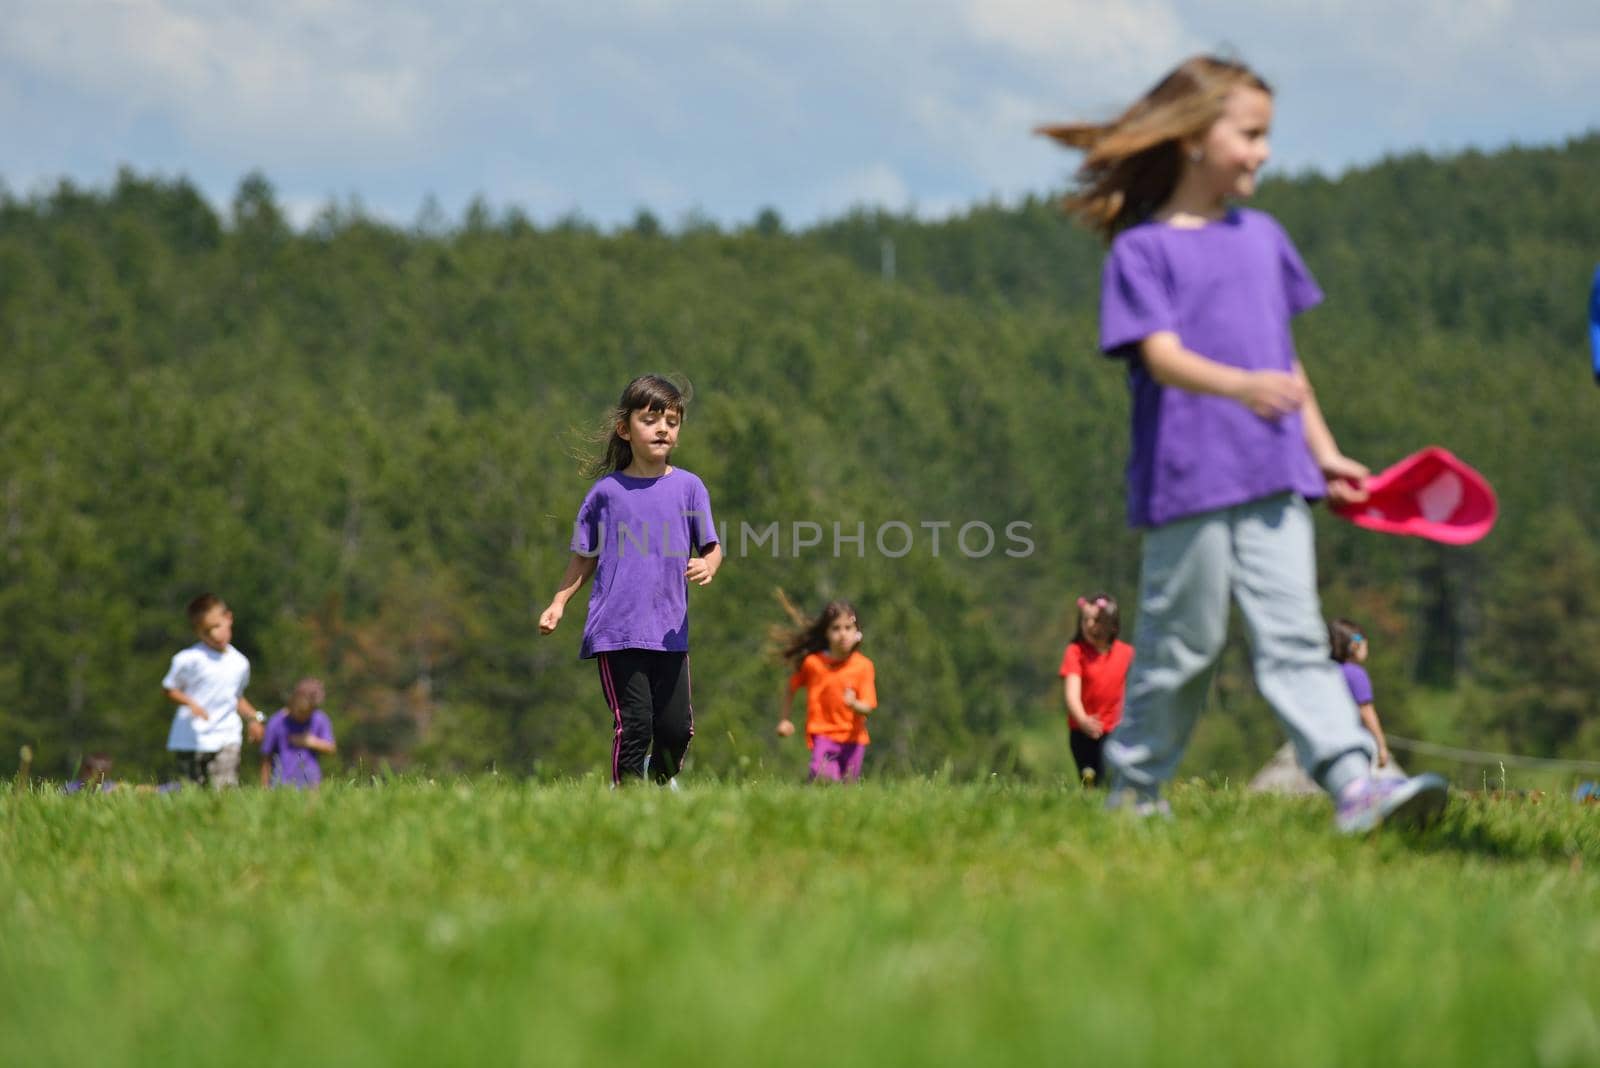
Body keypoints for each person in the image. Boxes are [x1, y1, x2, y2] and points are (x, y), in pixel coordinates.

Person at [1039, 54, 1447, 832]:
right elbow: (1158, 354)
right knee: (1181, 650)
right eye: (1250, 134)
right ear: (1194, 138)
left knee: (1296, 639)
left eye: (1267, 136)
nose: (1263, 152)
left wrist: (1324, 453)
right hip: (1186, 483)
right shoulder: (1142, 251)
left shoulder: (1264, 239)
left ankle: (1356, 785)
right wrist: (1241, 386)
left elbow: (1286, 359)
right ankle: (1133, 793)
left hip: (1275, 477)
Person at [539, 375, 722, 787]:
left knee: (676, 731)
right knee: (635, 725)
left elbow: (713, 547)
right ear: (625, 429)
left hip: (670, 632)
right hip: (617, 631)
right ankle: (627, 800)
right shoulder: (606, 493)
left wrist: (709, 565)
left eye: (672, 422)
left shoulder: (690, 488)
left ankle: (659, 783)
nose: (663, 429)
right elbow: (584, 557)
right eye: (651, 419)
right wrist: (559, 602)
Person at [162, 593, 264, 788]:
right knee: (190, 791)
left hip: (226, 735)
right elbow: (169, 689)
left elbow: (235, 697)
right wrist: (190, 703)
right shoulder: (188, 659)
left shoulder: (240, 663)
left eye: (217, 626)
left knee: (225, 789)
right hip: (190, 738)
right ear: (197, 632)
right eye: (206, 632)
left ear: (229, 618)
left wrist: (253, 717)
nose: (215, 635)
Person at [774, 599, 878, 783]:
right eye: (836, 628)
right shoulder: (814, 664)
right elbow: (790, 688)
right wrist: (784, 719)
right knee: (823, 778)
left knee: (848, 789)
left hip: (854, 738)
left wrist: (854, 704)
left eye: (848, 628)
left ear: (857, 633)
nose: (842, 634)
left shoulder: (863, 666)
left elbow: (868, 706)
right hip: (823, 734)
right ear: (826, 633)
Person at [1059, 593, 1135, 787]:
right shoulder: (1075, 652)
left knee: (1112, 780)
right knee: (1091, 782)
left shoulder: (1126, 654)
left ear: (1113, 625)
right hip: (1082, 731)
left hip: (1115, 731)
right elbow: (1071, 693)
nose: (1090, 625)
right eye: (1086, 620)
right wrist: (1083, 720)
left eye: (1098, 620)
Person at [1329, 618, 1394, 771]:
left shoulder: (1327, 672)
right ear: (1355, 645)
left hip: (1326, 738)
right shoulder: (1356, 674)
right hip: (1351, 742)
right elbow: (1366, 711)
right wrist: (1381, 745)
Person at [260, 678, 337, 789]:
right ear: (293, 702)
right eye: (301, 712)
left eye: (309, 712)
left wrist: (311, 742)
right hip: (281, 784)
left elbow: (331, 747)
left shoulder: (320, 719)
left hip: (311, 783)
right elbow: (266, 758)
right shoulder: (276, 722)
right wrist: (264, 787)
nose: (304, 716)